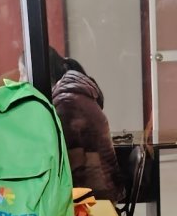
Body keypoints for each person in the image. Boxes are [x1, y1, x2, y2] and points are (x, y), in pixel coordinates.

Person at [51, 61, 126, 203]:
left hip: (96, 193)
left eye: (23, 72)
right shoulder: (80, 96)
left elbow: (76, 164)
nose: (21, 79)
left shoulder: (66, 103)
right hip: (107, 183)